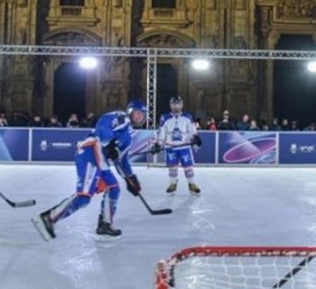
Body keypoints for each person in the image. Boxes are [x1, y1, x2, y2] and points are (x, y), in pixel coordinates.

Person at [32, 103, 144, 241]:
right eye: (138, 113)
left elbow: (121, 160)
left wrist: (130, 178)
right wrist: (109, 144)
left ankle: (105, 224)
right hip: (90, 152)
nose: (140, 116)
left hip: (101, 160)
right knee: (84, 197)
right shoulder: (121, 117)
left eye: (142, 114)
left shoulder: (128, 137)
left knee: (113, 188)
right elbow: (104, 123)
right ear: (130, 111)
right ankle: (49, 218)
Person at [152, 96, 201, 195]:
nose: (176, 106)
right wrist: (158, 144)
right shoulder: (164, 117)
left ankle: (191, 184)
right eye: (174, 104)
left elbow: (191, 130)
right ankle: (173, 183)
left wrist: (195, 138)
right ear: (170, 105)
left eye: (178, 104)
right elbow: (161, 133)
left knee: (188, 167)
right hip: (171, 147)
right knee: (172, 167)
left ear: (181, 105)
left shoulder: (187, 117)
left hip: (184, 147)